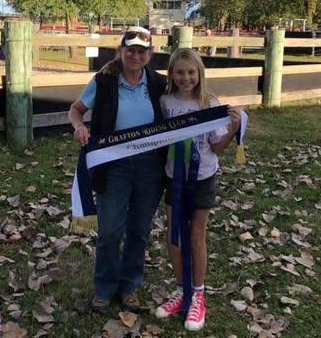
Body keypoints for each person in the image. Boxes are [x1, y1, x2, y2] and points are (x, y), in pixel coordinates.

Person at [68, 26, 167, 314]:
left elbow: (180, 111)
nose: (135, 55)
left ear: (150, 55)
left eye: (141, 51)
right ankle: (105, 287)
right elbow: (75, 110)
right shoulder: (104, 81)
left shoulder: (158, 84)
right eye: (130, 49)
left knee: (139, 229)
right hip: (113, 165)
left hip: (151, 165)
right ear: (120, 51)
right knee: (110, 230)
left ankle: (130, 286)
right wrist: (79, 127)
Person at [154, 48, 241, 332]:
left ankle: (198, 294)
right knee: (173, 237)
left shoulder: (209, 103)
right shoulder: (164, 102)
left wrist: (231, 130)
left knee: (195, 237)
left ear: (200, 74)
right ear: (171, 75)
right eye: (180, 72)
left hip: (203, 177)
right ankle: (181, 290)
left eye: (191, 72)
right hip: (173, 177)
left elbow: (217, 147)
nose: (186, 77)